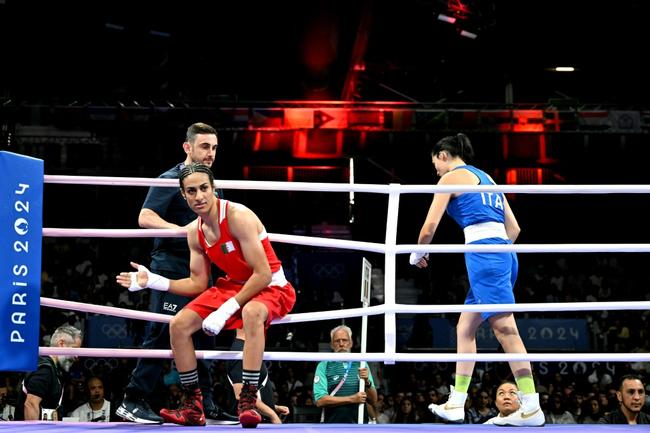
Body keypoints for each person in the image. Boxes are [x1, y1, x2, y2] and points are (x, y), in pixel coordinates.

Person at [117, 163, 296, 428]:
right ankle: (193, 405)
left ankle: (247, 400)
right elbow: (198, 284)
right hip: (233, 285)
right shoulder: (195, 231)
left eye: (204, 188)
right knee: (178, 325)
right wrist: (153, 281)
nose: (199, 196)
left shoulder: (238, 216)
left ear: (214, 189)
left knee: (250, 312)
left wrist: (224, 311)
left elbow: (262, 274)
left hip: (270, 285)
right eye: (192, 191)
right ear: (183, 195)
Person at [410, 133, 544, 427]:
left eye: (436, 165)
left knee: (505, 329)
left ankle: (532, 407)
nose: (437, 172)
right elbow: (515, 229)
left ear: (443, 155)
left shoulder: (451, 178)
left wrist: (417, 252)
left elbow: (430, 226)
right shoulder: (489, 180)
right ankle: (457, 403)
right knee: (465, 327)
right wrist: (494, 254)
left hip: (485, 256)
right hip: (502, 255)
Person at [116, 122, 236, 425]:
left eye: (214, 148)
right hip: (171, 263)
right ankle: (133, 399)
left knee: (205, 333)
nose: (210, 154)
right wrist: (183, 231)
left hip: (203, 267)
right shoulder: (170, 180)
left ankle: (204, 403)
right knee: (161, 333)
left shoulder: (213, 185)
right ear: (188, 147)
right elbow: (145, 217)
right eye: (205, 146)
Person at [14, 324, 82, 421]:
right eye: (75, 349)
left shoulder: (55, 370)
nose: (77, 356)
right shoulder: (44, 369)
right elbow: (31, 404)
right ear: (61, 344)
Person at [313, 325, 377, 423]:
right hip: (331, 426)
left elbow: (373, 400)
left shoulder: (361, 363)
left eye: (345, 340)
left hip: (359, 426)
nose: (341, 344)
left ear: (351, 343)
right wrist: (352, 399)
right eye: (337, 341)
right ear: (331, 345)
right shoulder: (324, 365)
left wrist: (367, 382)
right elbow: (320, 401)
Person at [227, 329, 290, 424]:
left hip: (259, 421)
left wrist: (273, 406)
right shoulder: (240, 351)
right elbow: (240, 394)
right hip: (252, 423)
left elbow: (254, 390)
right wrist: (272, 414)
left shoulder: (250, 349)